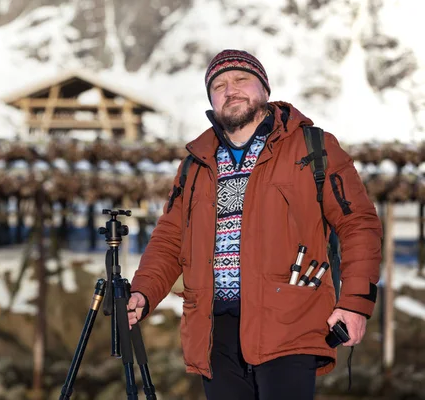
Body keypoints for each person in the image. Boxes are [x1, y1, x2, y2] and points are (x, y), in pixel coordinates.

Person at [127, 49, 382, 400]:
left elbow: (359, 224)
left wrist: (354, 303)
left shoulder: (314, 147)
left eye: (241, 79)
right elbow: (171, 239)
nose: (230, 89)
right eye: (219, 85)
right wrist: (143, 291)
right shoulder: (195, 164)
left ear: (264, 89)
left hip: (290, 321)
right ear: (211, 100)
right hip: (214, 329)